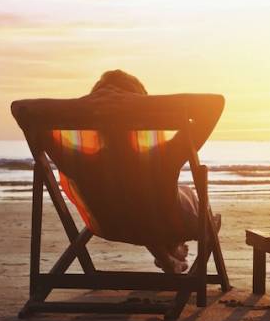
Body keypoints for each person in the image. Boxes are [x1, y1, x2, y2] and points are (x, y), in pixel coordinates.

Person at [84, 70, 215, 274]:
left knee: (141, 204)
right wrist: (143, 105)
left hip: (111, 223)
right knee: (181, 195)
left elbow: (21, 109)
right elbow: (213, 105)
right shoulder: (162, 156)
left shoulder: (84, 159)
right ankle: (174, 246)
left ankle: (168, 255)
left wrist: (91, 105)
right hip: (165, 222)